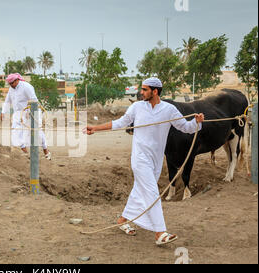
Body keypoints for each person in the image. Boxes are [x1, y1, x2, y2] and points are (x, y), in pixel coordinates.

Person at [84, 77, 204, 245]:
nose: (141, 92)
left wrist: (197, 122)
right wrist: (95, 128)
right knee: (151, 192)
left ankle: (122, 220)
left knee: (140, 191)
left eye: (145, 89)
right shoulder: (137, 107)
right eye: (142, 89)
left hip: (155, 160)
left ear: (155, 91)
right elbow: (120, 123)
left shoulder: (169, 110)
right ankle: (160, 233)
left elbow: (186, 128)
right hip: (140, 158)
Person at [1, 73, 51, 160]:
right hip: (18, 113)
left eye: (12, 83)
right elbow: (7, 101)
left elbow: (34, 99)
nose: (11, 85)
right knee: (15, 132)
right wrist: (3, 112)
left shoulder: (26, 86)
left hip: (32, 111)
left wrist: (29, 110)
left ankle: (46, 151)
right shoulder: (11, 89)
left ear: (17, 80)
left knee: (37, 133)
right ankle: (26, 153)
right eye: (9, 84)